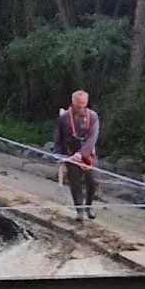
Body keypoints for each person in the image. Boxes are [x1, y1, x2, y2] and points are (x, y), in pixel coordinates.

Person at [54, 90, 100, 221]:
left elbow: (93, 137)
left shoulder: (93, 116)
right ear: (73, 102)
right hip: (70, 154)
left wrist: (82, 153)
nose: (81, 106)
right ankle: (79, 210)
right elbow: (58, 137)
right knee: (75, 183)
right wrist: (58, 155)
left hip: (88, 153)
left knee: (92, 182)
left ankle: (89, 206)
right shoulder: (63, 118)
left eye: (84, 103)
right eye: (79, 103)